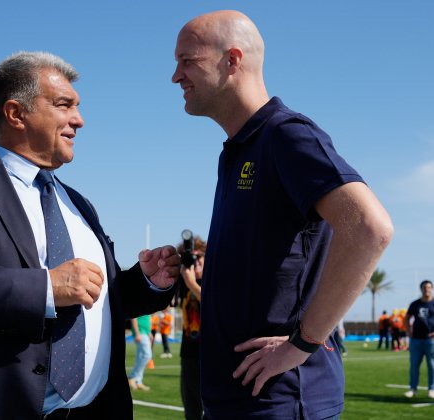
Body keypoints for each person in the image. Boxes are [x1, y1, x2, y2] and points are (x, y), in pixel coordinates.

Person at [0, 51, 180, 420]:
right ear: (16, 113)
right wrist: (46, 288)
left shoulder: (79, 203)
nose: (79, 120)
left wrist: (146, 283)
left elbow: (96, 299)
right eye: (64, 105)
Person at [172, 10, 394, 418]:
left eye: (188, 61)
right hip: (239, 400)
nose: (176, 76)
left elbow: (369, 229)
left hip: (282, 401)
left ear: (232, 61)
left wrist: (302, 344)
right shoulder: (239, 150)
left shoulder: (286, 135)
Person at [177, 236, 206, 420]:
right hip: (188, 353)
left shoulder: (216, 279)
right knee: (191, 410)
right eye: (191, 258)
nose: (195, 263)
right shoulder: (183, 281)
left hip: (211, 355)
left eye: (199, 257)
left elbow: (216, 307)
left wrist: (192, 284)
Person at [404, 280, 434, 399]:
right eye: (424, 287)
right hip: (416, 340)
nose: (426, 289)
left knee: (432, 366)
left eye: (429, 287)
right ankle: (413, 389)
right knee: (414, 366)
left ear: (431, 289)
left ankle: (431, 389)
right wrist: (408, 331)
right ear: (421, 289)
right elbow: (407, 317)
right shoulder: (415, 304)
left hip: (430, 340)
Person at [128, 315, 153, 391]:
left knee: (140, 357)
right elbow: (134, 317)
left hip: (145, 332)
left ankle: (138, 381)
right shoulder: (139, 304)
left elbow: (146, 320)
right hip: (140, 332)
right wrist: (137, 333)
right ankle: (132, 376)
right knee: (147, 355)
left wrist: (149, 332)